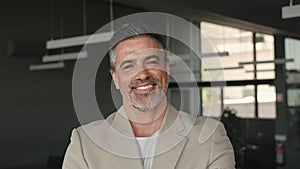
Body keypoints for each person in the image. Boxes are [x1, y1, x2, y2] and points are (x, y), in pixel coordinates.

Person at [62, 23, 235, 169]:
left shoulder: (209, 138)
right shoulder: (85, 142)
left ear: (167, 68)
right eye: (129, 65)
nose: (142, 75)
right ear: (115, 78)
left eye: (151, 62)